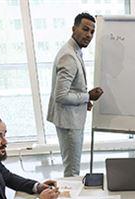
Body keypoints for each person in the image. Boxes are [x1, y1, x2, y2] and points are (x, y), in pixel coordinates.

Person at [47, 12, 104, 177]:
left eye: (92, 32)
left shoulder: (74, 50)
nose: (89, 35)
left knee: (72, 168)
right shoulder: (69, 56)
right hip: (69, 122)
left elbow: (70, 88)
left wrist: (83, 101)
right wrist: (88, 97)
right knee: (72, 172)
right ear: (74, 29)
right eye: (85, 29)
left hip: (70, 118)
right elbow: (61, 96)